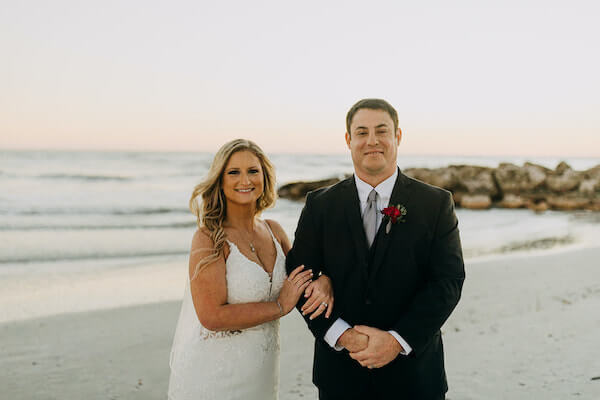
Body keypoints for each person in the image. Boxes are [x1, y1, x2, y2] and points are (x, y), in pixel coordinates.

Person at [286, 99, 465, 400]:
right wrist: (343, 335)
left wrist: (397, 341)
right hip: (340, 374)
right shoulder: (320, 205)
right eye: (362, 132)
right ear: (348, 139)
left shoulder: (435, 203)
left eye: (382, 131)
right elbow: (299, 275)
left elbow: (447, 281)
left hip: (414, 374)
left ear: (398, 136)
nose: (372, 141)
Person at [167, 139, 333, 400]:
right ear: (220, 181)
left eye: (253, 171)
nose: (245, 180)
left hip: (263, 371)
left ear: (265, 177)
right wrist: (279, 307)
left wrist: (325, 281)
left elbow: (304, 277)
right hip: (216, 373)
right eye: (234, 172)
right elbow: (211, 316)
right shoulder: (209, 237)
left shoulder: (274, 231)